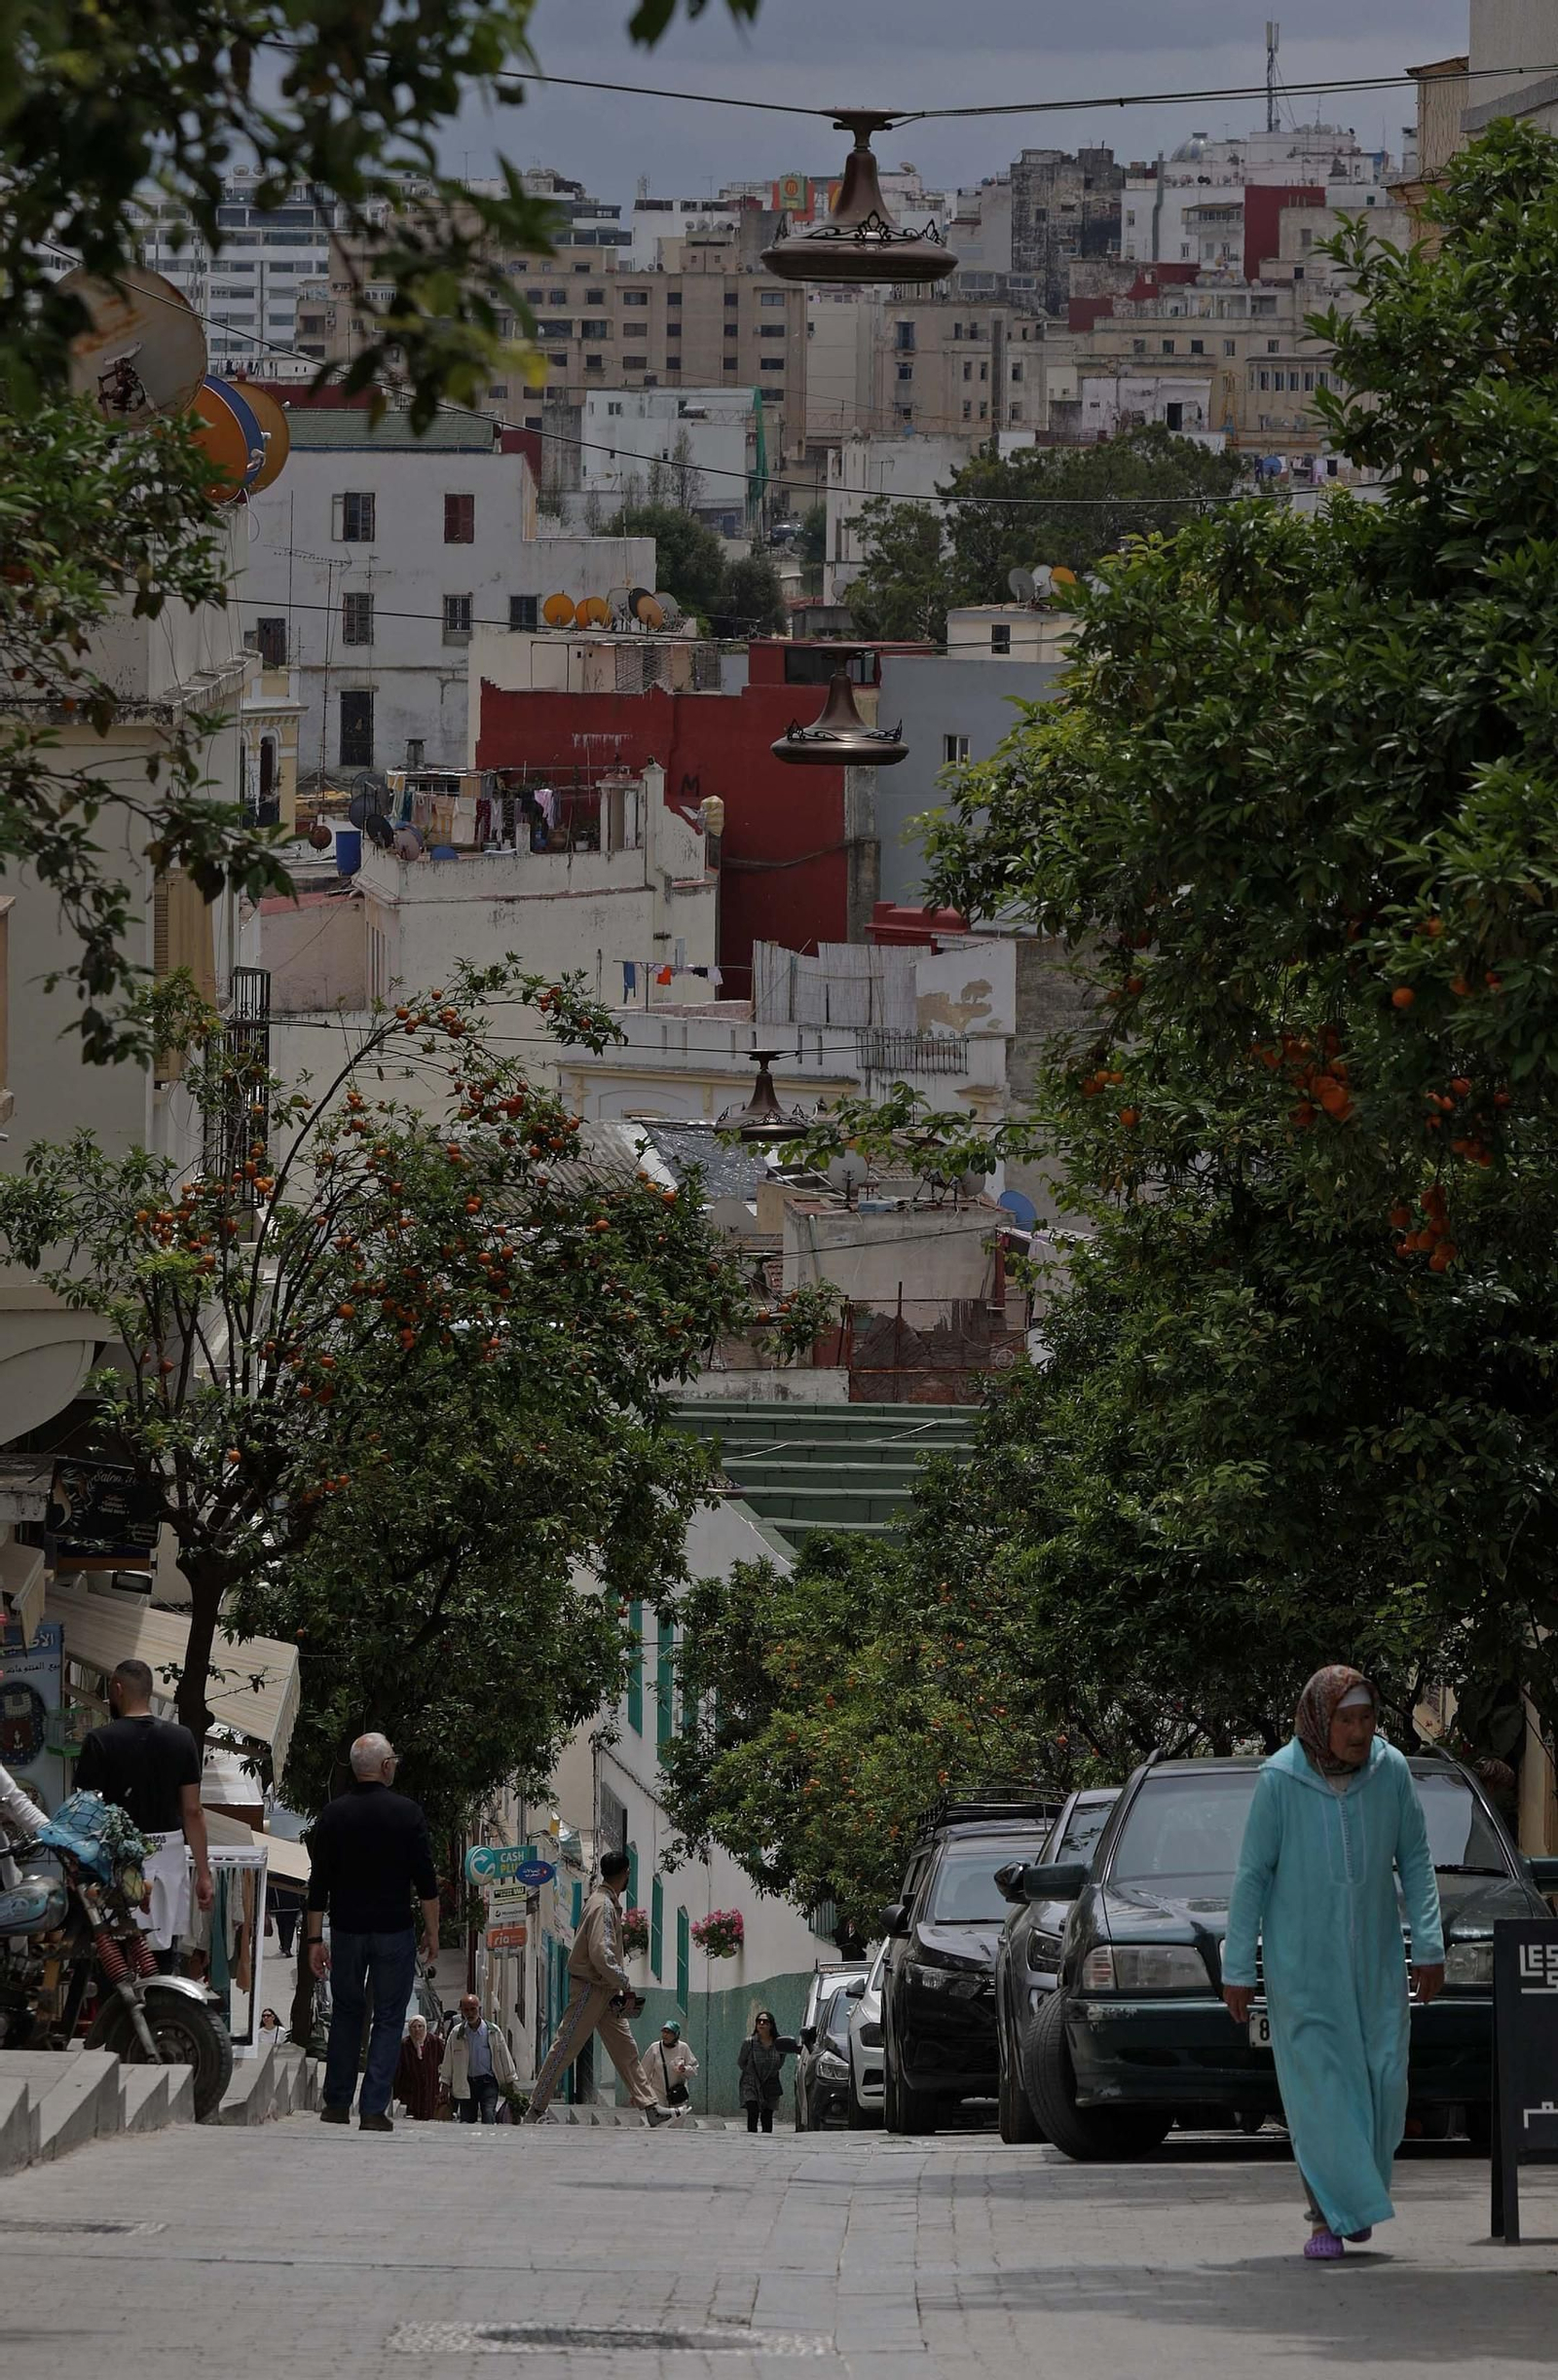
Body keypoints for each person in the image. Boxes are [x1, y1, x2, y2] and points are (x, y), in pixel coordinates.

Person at [1223, 1666, 1445, 2260]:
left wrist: (1428, 1946)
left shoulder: (1390, 1772)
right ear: (1320, 1720)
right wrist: (1238, 1967)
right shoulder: (1280, 1779)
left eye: (1367, 1717)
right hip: (1304, 1969)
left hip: (1375, 1964)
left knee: (1384, 2079)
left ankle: (1356, 2195)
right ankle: (1327, 2215)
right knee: (1321, 2089)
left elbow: (1417, 1862)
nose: (1358, 1731)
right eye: (1346, 1719)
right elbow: (1252, 1877)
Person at [305, 1732, 440, 2134]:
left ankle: (336, 2102)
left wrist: (314, 1940)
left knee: (346, 2012)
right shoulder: (408, 1813)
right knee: (388, 2016)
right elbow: (426, 1883)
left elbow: (319, 1884)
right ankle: (373, 2108)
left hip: (346, 1930)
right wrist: (432, 1932)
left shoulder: (333, 1815)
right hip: (393, 1931)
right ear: (384, 1767)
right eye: (393, 1760)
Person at [74, 1658, 212, 1962]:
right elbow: (193, 1811)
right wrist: (204, 1873)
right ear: (149, 1693)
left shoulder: (100, 1741)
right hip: (169, 1855)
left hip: (115, 1859)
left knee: (115, 1955)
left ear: (118, 1690)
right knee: (161, 1954)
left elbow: (85, 1813)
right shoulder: (182, 1739)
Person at [526, 1850, 670, 2125]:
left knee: (626, 2049)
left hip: (604, 1991)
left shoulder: (601, 1901)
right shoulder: (603, 1906)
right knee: (566, 2046)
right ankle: (535, 2109)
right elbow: (601, 1954)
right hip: (591, 1988)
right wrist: (624, 1983)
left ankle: (650, 2107)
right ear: (626, 1872)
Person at [441, 1992, 518, 2124]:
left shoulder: (493, 2032)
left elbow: (504, 2057)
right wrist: (445, 2085)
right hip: (466, 2084)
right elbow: (448, 2061)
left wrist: (510, 2081)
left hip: (488, 2082)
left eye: (473, 2009)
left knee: (489, 2114)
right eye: (466, 2010)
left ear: (479, 2009)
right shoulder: (456, 2034)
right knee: (467, 2119)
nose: (470, 2013)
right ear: (461, 2012)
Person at [738, 2009, 798, 2135]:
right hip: (751, 2082)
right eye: (759, 2021)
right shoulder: (749, 2043)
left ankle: (766, 2141)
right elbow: (741, 2062)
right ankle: (751, 2137)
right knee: (752, 2110)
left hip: (770, 2082)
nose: (761, 2024)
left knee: (767, 2115)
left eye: (765, 2022)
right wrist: (752, 2074)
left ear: (771, 2025)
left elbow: (780, 2062)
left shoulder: (779, 2043)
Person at [396, 2013, 444, 2120]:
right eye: (413, 2027)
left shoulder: (434, 2042)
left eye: (420, 2026)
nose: (417, 2030)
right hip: (412, 2091)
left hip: (431, 2087)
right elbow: (399, 2068)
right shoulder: (405, 2044)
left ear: (425, 2027)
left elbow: (445, 2060)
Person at [647, 2019, 699, 2116]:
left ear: (676, 2035)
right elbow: (644, 2072)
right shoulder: (655, 2048)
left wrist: (684, 2069)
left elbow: (694, 2069)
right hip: (658, 2095)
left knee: (677, 2126)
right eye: (664, 2032)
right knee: (660, 2126)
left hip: (678, 2096)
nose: (665, 2035)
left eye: (669, 2032)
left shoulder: (683, 2048)